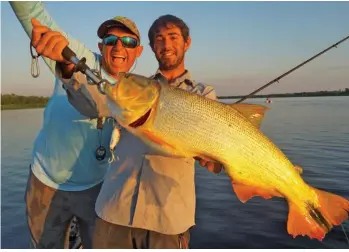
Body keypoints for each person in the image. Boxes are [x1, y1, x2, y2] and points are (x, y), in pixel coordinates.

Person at [29, 7, 222, 249]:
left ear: (187, 42)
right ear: (151, 48)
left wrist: (216, 158)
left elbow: (219, 142)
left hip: (167, 220)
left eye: (173, 37)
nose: (166, 44)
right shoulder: (135, 87)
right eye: (159, 39)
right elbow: (94, 104)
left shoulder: (204, 94)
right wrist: (67, 68)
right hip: (113, 212)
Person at [9, 1, 142, 248]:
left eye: (129, 42)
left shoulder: (138, 90)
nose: (119, 47)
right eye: (111, 40)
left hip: (97, 188)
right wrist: (63, 57)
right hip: (46, 181)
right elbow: (32, 13)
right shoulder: (80, 58)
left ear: (139, 51)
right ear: (101, 46)